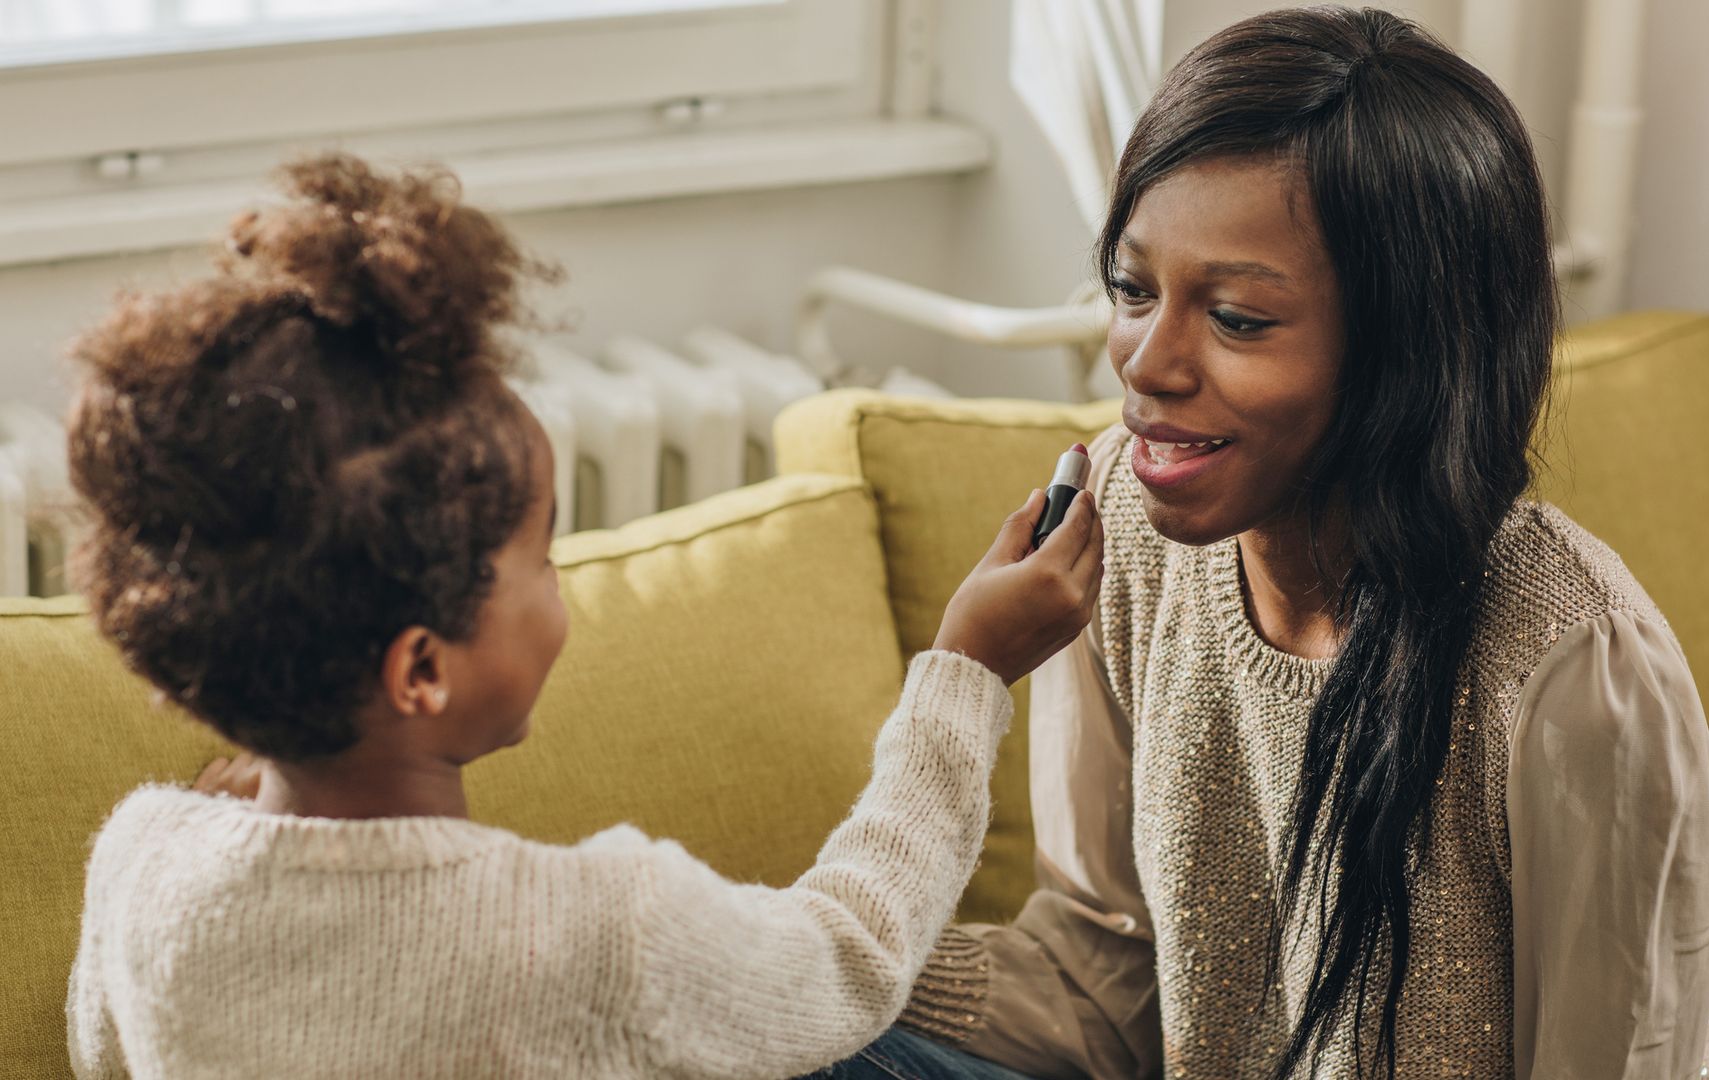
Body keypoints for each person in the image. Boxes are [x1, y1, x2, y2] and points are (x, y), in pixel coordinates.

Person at [819, 7, 1709, 1079]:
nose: (1147, 365)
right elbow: (1106, 987)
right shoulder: (1119, 535)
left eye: (1238, 319)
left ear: (1406, 352)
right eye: (1132, 289)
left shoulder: (1575, 671)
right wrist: (816, 963)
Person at [62, 152, 1103, 1079]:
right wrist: (966, 670)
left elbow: (101, 1050)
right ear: (421, 667)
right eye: (541, 559)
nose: (563, 596)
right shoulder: (601, 935)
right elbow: (849, 957)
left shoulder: (146, 858)